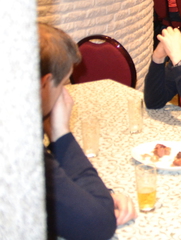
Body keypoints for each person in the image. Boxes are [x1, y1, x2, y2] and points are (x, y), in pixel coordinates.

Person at [40, 23, 137, 240]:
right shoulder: (18, 149)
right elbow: (98, 225)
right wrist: (61, 135)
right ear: (45, 85)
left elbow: (59, 195)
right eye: (62, 85)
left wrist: (98, 197)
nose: (66, 96)